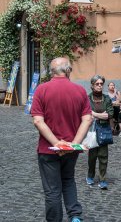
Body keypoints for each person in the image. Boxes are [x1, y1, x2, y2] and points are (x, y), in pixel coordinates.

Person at [31, 57, 93, 222]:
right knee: (68, 180)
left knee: (52, 191)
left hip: (47, 150)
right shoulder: (80, 90)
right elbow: (88, 119)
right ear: (68, 70)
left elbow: (38, 120)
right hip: (71, 150)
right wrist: (73, 144)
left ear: (51, 72)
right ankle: (75, 217)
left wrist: (56, 143)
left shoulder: (41, 90)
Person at [86, 75, 114, 189]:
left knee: (103, 156)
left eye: (101, 84)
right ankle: (90, 175)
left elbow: (110, 114)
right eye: (97, 84)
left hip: (103, 129)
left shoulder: (106, 98)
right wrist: (101, 115)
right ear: (92, 85)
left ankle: (102, 179)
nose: (99, 86)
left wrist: (95, 114)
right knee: (92, 156)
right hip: (92, 129)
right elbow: (86, 112)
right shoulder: (87, 98)